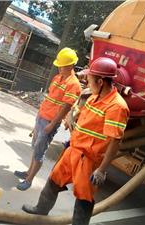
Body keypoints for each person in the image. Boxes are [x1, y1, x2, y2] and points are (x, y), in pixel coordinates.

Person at [21, 57, 130, 225]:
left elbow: (115, 141)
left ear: (100, 81)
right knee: (54, 180)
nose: (87, 82)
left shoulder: (117, 107)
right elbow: (81, 116)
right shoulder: (94, 97)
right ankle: (41, 209)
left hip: (88, 159)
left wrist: (101, 170)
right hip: (73, 151)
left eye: (90, 79)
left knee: (84, 196)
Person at [14, 47, 82, 191]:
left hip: (50, 121)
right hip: (41, 117)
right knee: (35, 148)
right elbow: (50, 99)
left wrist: (52, 124)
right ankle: (28, 172)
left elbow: (66, 107)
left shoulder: (73, 84)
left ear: (70, 65)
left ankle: (29, 180)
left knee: (39, 152)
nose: (59, 69)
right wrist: (37, 121)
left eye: (61, 66)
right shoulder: (58, 78)